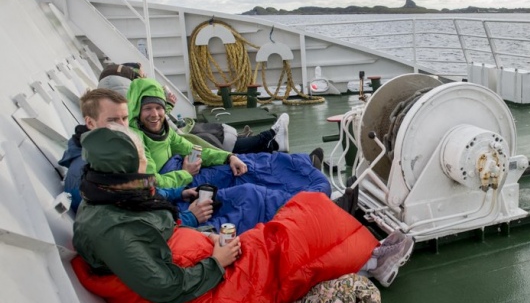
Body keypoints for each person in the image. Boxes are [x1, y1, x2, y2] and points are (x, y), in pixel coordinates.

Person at [71, 125, 414, 303]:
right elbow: (167, 288)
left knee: (299, 218)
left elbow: (154, 247)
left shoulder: (109, 196)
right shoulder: (113, 229)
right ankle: (370, 261)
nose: (148, 160)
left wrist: (206, 240)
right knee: (288, 248)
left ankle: (364, 252)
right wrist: (217, 261)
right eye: (142, 157)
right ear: (125, 167)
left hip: (198, 265)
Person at [127, 77, 330, 233]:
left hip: (184, 175)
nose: (154, 114)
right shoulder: (136, 140)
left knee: (247, 164)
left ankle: (303, 166)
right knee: (248, 191)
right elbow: (153, 183)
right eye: (148, 109)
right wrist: (186, 174)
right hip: (181, 185)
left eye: (158, 108)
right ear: (137, 110)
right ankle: (311, 201)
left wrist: (228, 157)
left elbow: (190, 148)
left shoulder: (164, 130)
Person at [58, 88, 211, 226]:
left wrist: (178, 192)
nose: (122, 127)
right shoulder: (88, 171)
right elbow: (126, 222)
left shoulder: (114, 152)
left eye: (124, 118)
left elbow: (139, 186)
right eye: (112, 120)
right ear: (90, 123)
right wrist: (190, 217)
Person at [97, 62, 289, 153]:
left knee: (211, 132)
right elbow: (150, 130)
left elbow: (149, 122)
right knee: (211, 139)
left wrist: (167, 106)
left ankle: (269, 141)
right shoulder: (127, 107)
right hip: (179, 150)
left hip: (176, 140)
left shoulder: (123, 104)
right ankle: (269, 139)